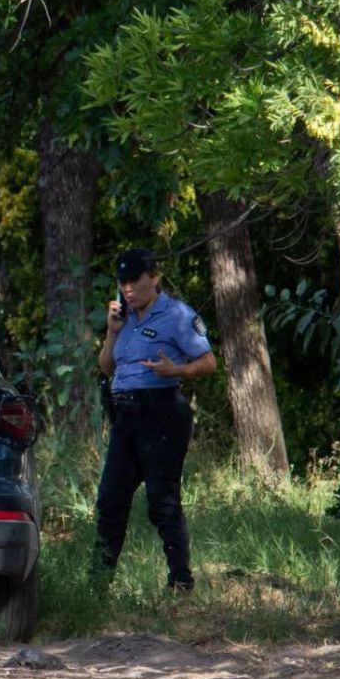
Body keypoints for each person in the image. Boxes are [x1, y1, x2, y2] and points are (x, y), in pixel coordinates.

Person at [95, 247, 217, 592]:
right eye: (123, 282)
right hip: (126, 414)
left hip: (161, 412)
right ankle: (98, 585)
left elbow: (209, 362)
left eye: (135, 280)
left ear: (154, 278)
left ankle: (180, 580)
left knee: (161, 500)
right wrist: (112, 332)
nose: (129, 288)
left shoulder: (177, 315)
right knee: (110, 499)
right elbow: (107, 367)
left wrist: (176, 370)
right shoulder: (123, 319)